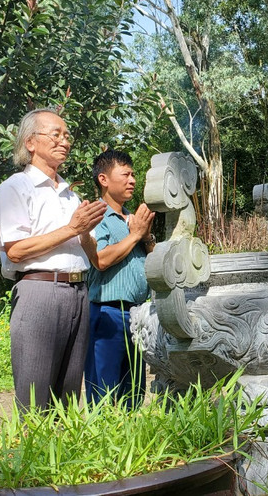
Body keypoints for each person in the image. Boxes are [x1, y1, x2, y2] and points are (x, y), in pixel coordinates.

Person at [0, 108, 107, 411]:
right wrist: (72, 228)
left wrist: (84, 234)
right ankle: (28, 456)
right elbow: (14, 250)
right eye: (56, 134)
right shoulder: (16, 187)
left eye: (67, 136)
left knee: (68, 394)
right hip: (39, 291)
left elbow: (91, 256)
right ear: (31, 142)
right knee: (34, 392)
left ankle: (62, 455)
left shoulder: (69, 194)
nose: (64, 142)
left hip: (79, 291)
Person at [85, 150, 155, 408]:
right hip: (108, 313)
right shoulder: (94, 216)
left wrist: (145, 236)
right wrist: (135, 236)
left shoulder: (132, 219)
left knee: (134, 391)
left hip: (138, 315)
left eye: (133, 174)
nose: (132, 180)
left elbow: (153, 258)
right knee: (102, 392)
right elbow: (100, 260)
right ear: (103, 179)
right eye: (125, 174)